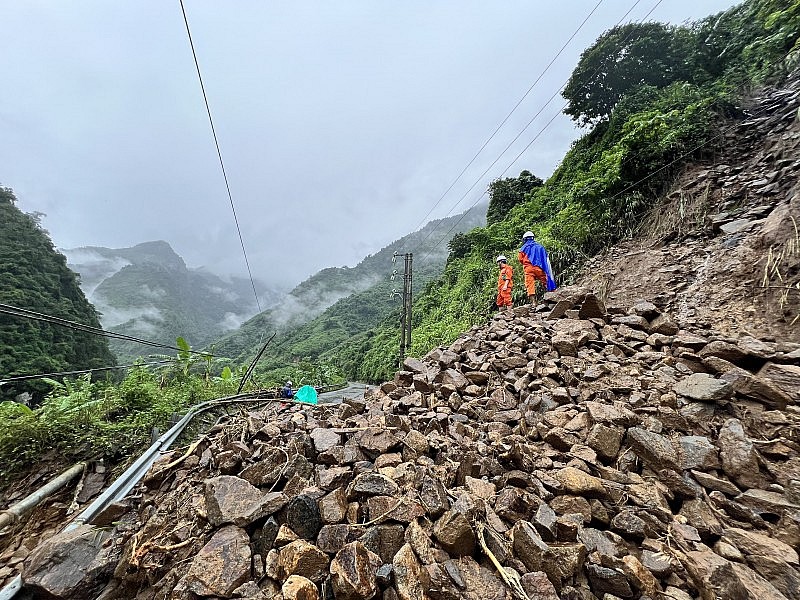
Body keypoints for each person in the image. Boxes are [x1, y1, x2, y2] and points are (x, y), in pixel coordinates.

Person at [518, 231, 556, 305]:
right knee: (545, 281)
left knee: (530, 284)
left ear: (525, 239)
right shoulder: (540, 247)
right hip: (539, 268)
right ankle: (552, 297)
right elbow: (545, 258)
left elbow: (520, 259)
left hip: (528, 269)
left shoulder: (523, 248)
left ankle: (533, 303)